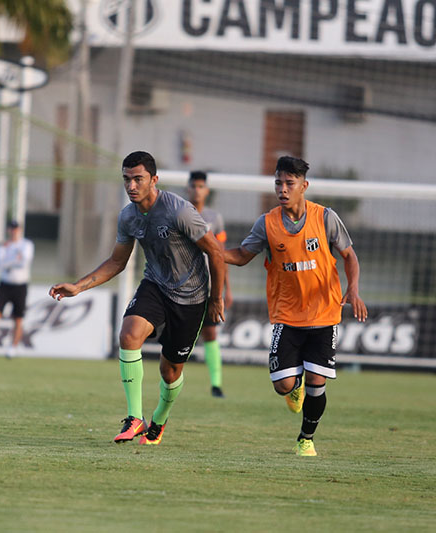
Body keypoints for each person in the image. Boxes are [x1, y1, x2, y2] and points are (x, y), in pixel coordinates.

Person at [49, 151, 225, 445]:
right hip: (155, 286)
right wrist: (79, 287)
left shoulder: (179, 211)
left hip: (191, 297)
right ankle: (135, 417)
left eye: (138, 179)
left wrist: (216, 298)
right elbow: (117, 262)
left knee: (170, 372)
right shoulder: (128, 216)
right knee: (129, 335)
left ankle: (159, 418)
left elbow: (216, 252)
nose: (131, 186)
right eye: (127, 179)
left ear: (154, 180)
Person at [224, 156, 367, 456]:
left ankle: (306, 438)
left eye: (290, 183)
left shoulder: (325, 218)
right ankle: (294, 388)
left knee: (318, 380)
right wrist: (209, 249)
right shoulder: (267, 223)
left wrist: (353, 289)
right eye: (278, 183)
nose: (283, 189)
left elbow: (349, 256)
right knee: (283, 385)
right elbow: (240, 255)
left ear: (304, 185)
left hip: (324, 314)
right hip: (287, 316)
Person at [187, 171, 233, 398]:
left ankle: (216, 384)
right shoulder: (179, 213)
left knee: (211, 333)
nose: (197, 190)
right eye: (193, 185)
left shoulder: (215, 217)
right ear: (188, 188)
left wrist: (226, 289)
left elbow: (221, 255)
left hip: (208, 285)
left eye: (201, 186)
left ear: (206, 190)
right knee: (181, 334)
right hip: (181, 284)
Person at [0, 220, 35, 358]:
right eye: (12, 229)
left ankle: (13, 347)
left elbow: (24, 262)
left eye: (16, 229)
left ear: (20, 230)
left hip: (20, 285)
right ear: (8, 230)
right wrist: (14, 259)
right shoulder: (2, 246)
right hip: (5, 284)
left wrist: (9, 261)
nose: (14, 231)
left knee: (18, 318)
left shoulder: (26, 244)